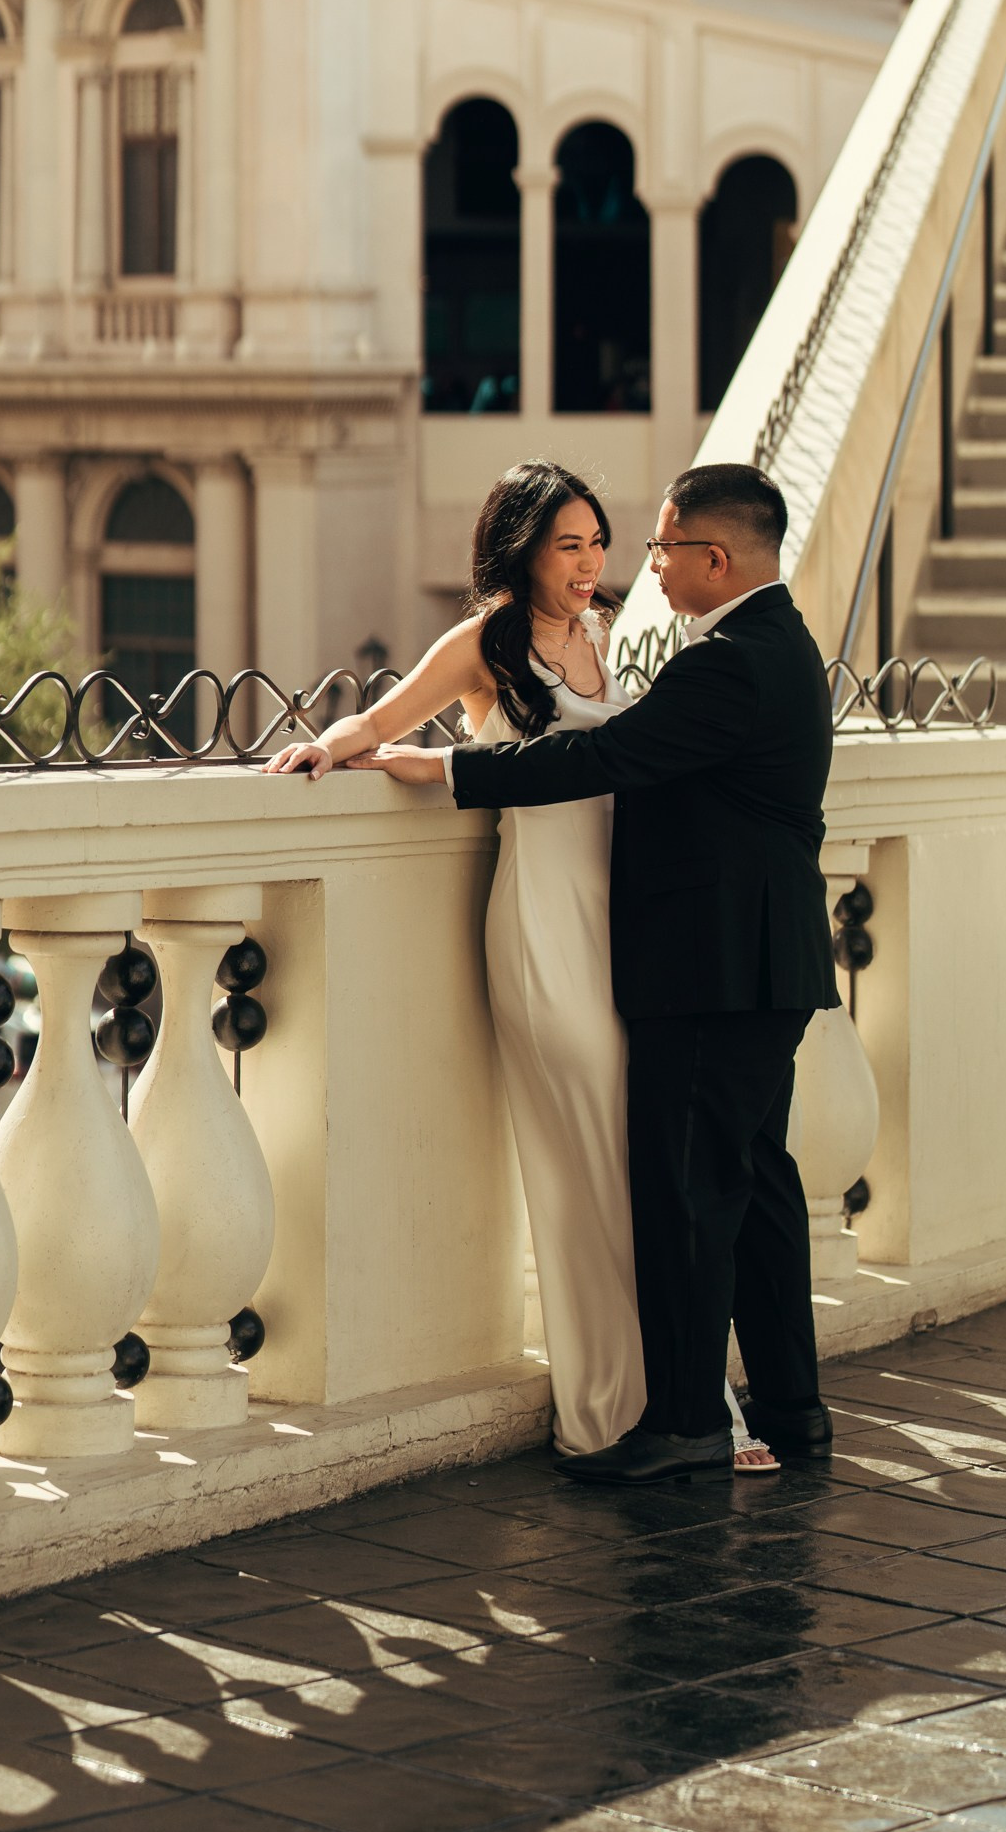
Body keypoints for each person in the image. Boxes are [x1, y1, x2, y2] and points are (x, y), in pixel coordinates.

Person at [266, 463, 772, 1469]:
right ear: (521, 551)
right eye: (567, 546)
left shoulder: (606, 633)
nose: (590, 565)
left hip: (627, 927)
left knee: (640, 1164)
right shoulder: (484, 646)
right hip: (542, 927)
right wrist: (329, 748)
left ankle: (683, 1402)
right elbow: (381, 722)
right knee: (584, 1166)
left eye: (597, 543)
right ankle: (606, 1413)